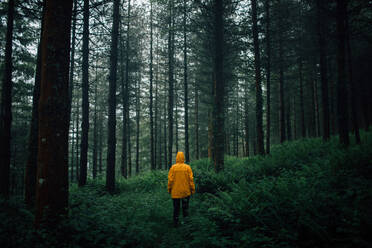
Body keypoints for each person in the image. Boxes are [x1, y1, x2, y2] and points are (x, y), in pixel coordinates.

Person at [167, 151, 195, 227]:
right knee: (185, 209)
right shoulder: (187, 167)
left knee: (176, 209)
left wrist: (169, 189)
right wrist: (192, 190)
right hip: (186, 192)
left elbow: (170, 180)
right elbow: (191, 180)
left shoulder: (173, 168)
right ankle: (186, 224)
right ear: (183, 158)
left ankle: (175, 224)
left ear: (176, 158)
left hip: (175, 193)